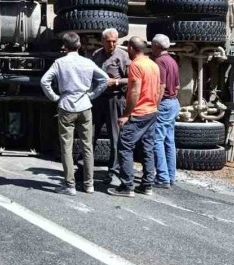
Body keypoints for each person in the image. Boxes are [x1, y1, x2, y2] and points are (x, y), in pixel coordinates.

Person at [41, 32, 109, 195]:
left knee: (66, 146)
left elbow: (45, 81)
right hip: (85, 106)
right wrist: (91, 95)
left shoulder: (59, 62)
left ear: (64, 46)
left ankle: (70, 185)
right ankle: (89, 184)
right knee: (87, 146)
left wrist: (55, 97)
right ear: (78, 46)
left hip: (66, 106)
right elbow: (105, 80)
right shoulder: (87, 62)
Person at [108, 36, 161, 197]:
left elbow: (135, 91)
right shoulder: (153, 64)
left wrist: (126, 115)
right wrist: (155, 107)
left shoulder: (136, 65)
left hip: (138, 113)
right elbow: (159, 89)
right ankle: (147, 185)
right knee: (147, 148)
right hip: (151, 112)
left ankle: (127, 186)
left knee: (124, 147)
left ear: (131, 48)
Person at [91, 27, 130, 185]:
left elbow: (131, 79)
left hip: (114, 99)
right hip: (98, 99)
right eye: (109, 41)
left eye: (115, 41)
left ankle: (113, 172)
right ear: (102, 41)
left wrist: (117, 81)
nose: (112, 44)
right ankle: (85, 168)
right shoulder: (96, 55)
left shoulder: (123, 56)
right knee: (90, 134)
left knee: (115, 138)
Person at [150, 34, 181, 188]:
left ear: (156, 46)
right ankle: (171, 175)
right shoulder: (172, 61)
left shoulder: (160, 61)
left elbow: (161, 85)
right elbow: (177, 86)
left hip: (164, 103)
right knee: (169, 141)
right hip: (174, 102)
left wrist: (155, 105)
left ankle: (162, 177)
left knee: (157, 140)